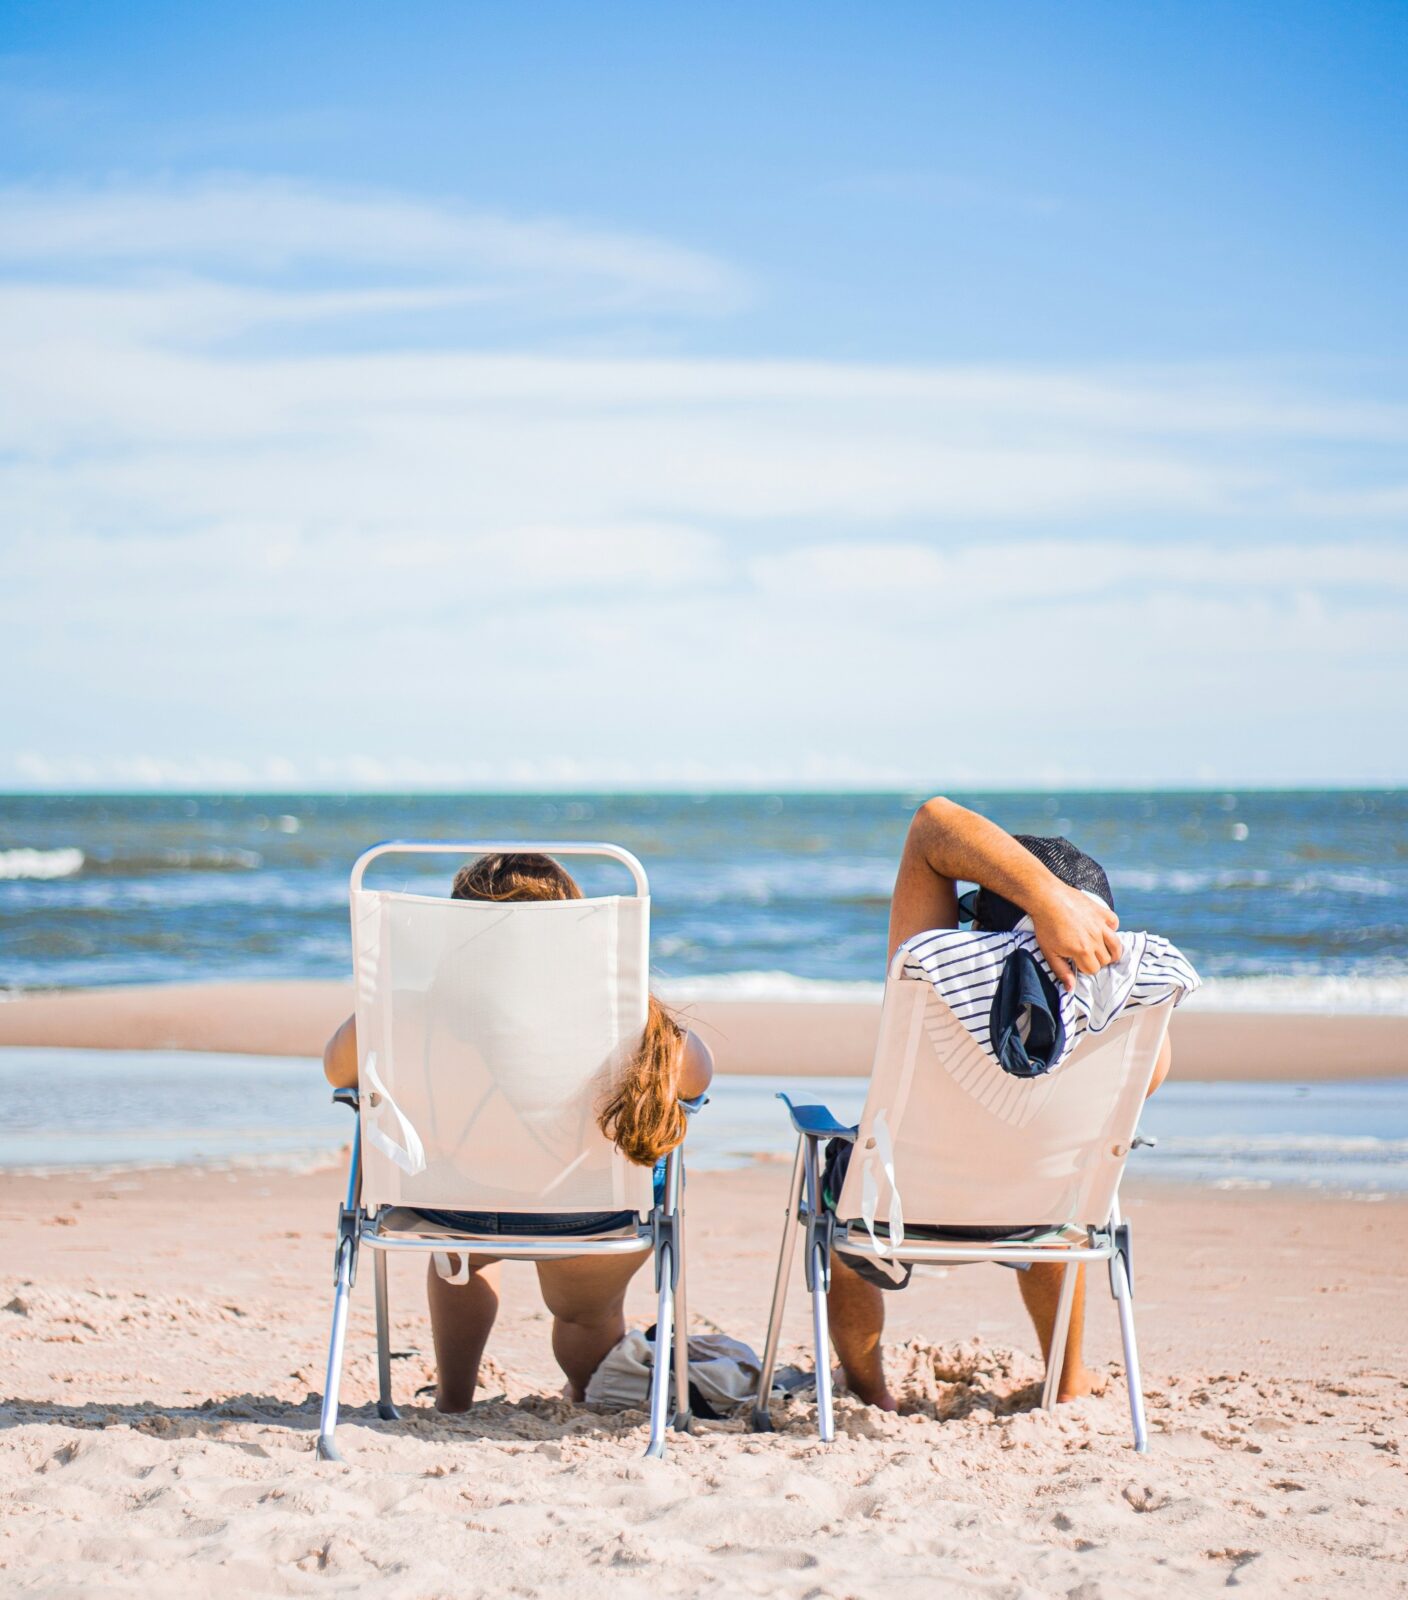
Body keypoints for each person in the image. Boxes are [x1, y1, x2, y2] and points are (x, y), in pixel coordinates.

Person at [322, 851, 714, 1412]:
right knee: (584, 1313)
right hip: (591, 1216)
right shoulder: (625, 1017)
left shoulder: (409, 1013)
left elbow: (338, 1072)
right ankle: (582, 1392)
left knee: (458, 1260)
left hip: (453, 1206)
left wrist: (379, 1011)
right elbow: (695, 1077)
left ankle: (453, 1399)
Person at [827, 797, 1175, 1411]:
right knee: (1061, 1166)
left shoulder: (929, 974)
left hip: (902, 1209)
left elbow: (932, 822)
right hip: (1041, 1214)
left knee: (841, 1195)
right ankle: (1067, 1380)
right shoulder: (1128, 1019)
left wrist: (1042, 900)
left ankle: (870, 1392)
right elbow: (1141, 1078)